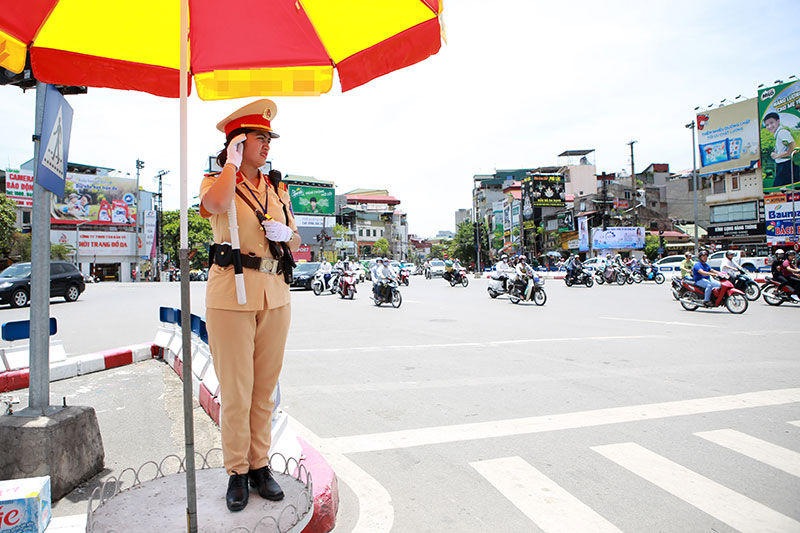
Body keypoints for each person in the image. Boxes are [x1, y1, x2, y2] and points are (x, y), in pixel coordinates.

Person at [199, 99, 300, 512]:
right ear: (238, 142)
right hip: (231, 293)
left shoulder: (277, 187)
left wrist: (286, 232)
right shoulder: (215, 180)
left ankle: (260, 466)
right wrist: (229, 164)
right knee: (237, 392)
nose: (267, 145)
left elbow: (294, 240)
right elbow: (216, 207)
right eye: (260, 138)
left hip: (274, 293)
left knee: (264, 392)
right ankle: (237, 471)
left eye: (268, 139)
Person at [763, 112, 798, 188]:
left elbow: (792, 146)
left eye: (772, 123)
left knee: (776, 188)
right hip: (783, 166)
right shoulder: (778, 133)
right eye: (767, 125)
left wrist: (777, 155)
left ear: (778, 121)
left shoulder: (782, 132)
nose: (770, 126)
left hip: (785, 166)